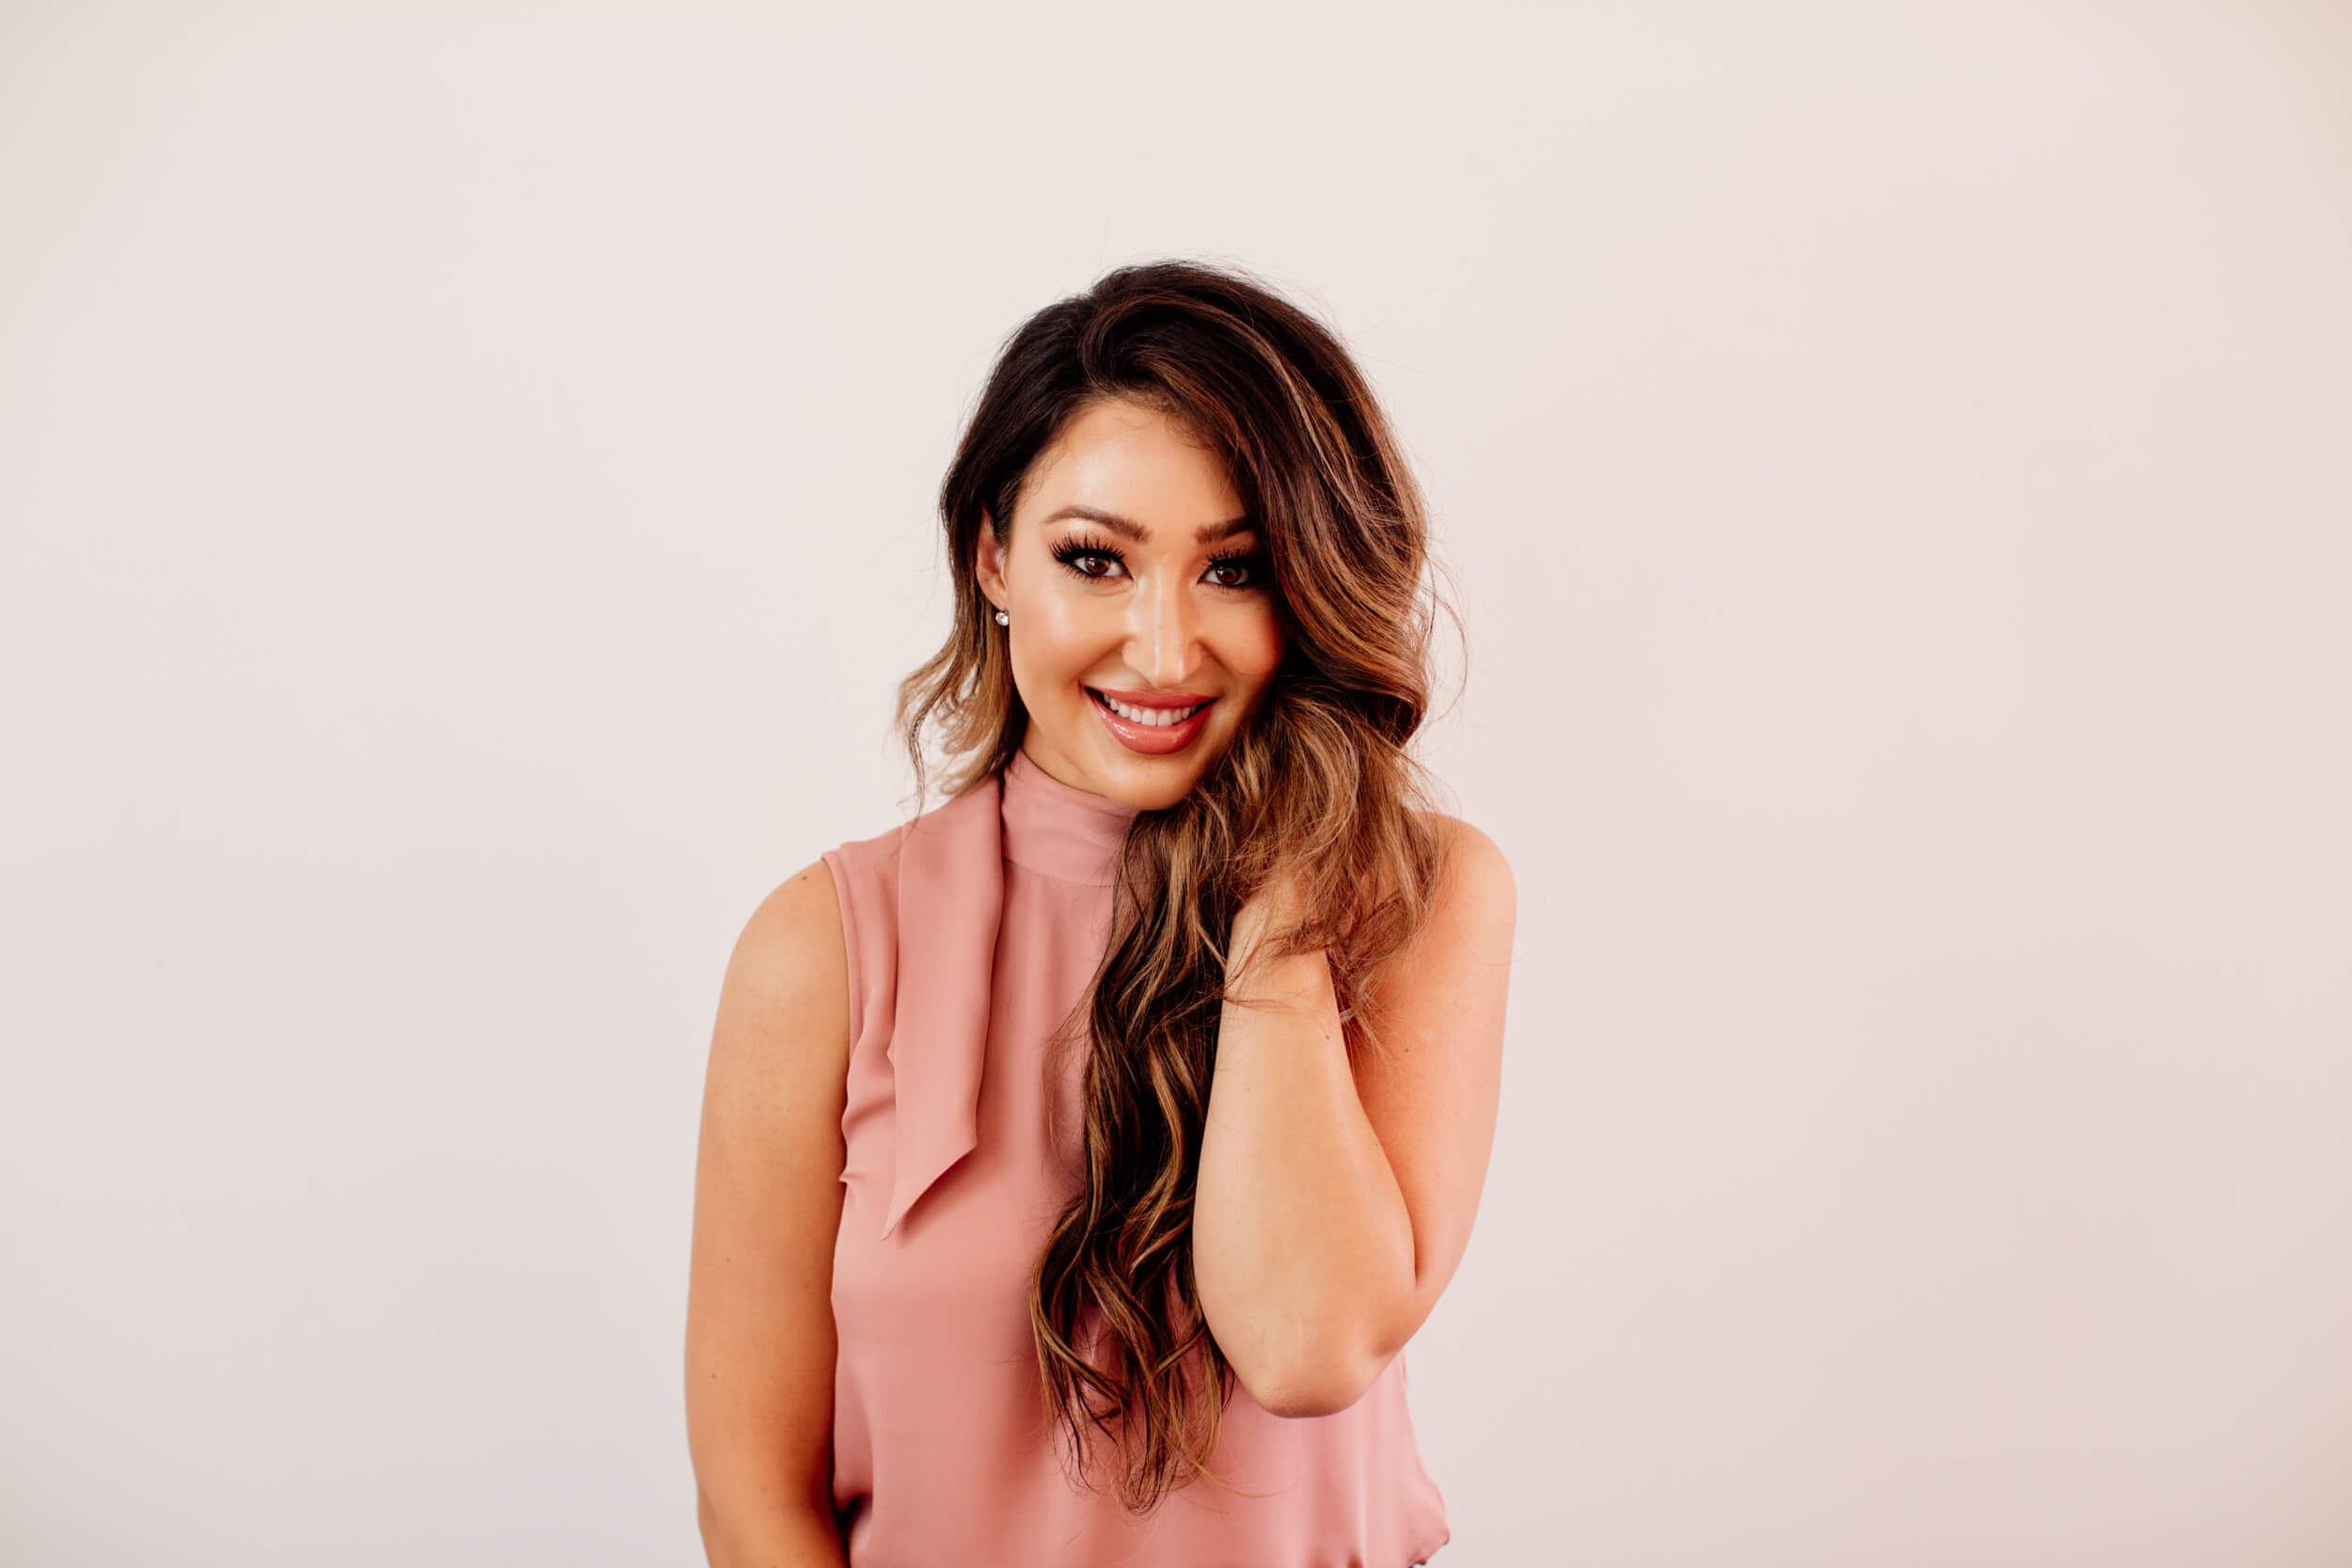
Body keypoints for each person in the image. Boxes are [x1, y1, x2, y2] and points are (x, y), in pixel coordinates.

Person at [684, 259, 1515, 1567]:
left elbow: (1306, 1341)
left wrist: (1286, 886)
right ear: (994, 555)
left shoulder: (1418, 898)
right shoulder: (824, 947)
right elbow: (753, 1496)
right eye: (1095, 559)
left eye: (1235, 569)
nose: (1165, 648)